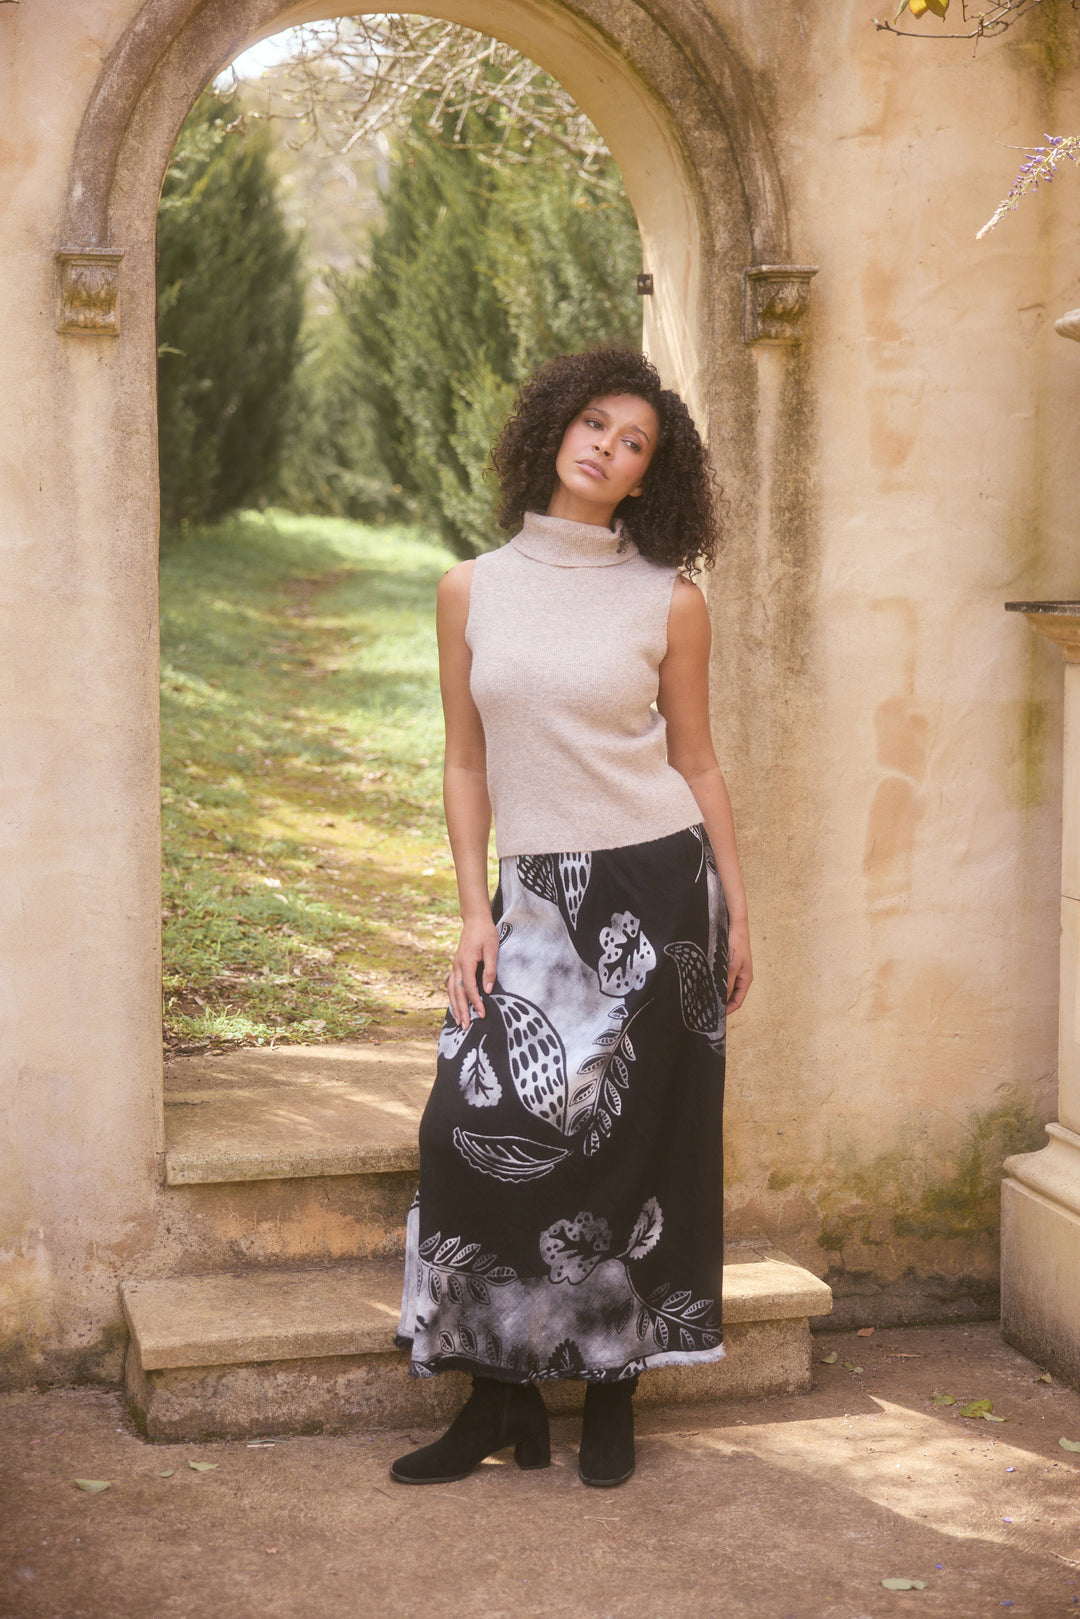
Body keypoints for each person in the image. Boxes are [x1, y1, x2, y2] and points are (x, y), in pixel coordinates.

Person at [392, 346, 752, 1488]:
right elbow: (464, 760)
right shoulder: (472, 586)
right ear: (554, 428)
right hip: (537, 893)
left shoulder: (669, 598)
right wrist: (472, 909)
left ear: (650, 475)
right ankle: (497, 1398)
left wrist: (737, 910)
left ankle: (612, 1394)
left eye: (632, 439)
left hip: (657, 888)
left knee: (635, 1152)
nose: (605, 444)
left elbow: (695, 759)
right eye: (593, 422)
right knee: (465, 1133)